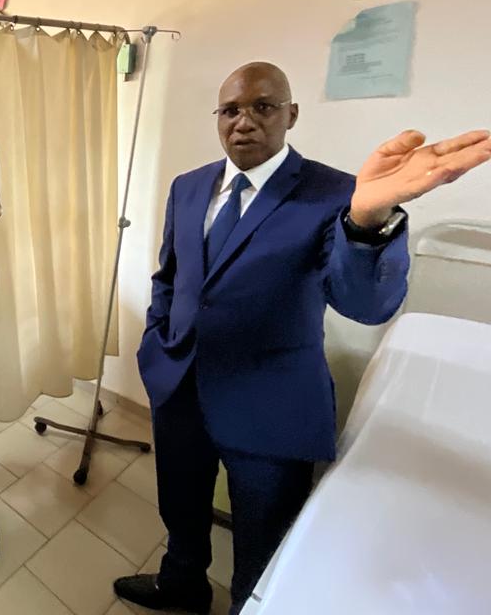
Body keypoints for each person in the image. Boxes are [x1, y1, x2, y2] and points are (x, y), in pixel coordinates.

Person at [114, 61, 491, 615]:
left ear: (291, 114)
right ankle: (182, 583)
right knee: (181, 506)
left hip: (272, 406)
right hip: (180, 388)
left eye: (263, 107)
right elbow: (170, 275)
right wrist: (156, 342)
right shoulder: (188, 187)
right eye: (230, 110)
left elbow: (368, 305)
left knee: (264, 544)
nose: (244, 121)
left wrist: (366, 221)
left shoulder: (337, 194)